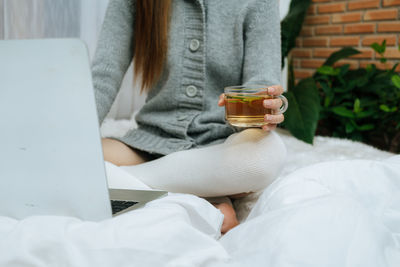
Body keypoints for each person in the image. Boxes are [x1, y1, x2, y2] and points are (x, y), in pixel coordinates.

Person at [92, 0, 287, 234]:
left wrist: (262, 110)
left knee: (262, 158)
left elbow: (261, 84)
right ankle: (203, 195)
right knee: (73, 158)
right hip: (152, 142)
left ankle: (123, 186)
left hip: (223, 145)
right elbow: (104, 75)